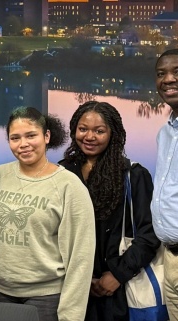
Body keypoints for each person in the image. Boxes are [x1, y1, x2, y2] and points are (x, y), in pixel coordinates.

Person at [0, 107, 94, 321]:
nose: (23, 144)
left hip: (46, 297)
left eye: (31, 135)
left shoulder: (68, 186)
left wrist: (71, 315)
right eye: (15, 138)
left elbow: (80, 257)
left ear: (46, 136)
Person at [59, 101, 159, 321]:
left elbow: (150, 235)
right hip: (72, 286)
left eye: (99, 131)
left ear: (113, 134)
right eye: (83, 129)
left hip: (118, 289)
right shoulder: (63, 172)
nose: (89, 137)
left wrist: (118, 274)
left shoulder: (133, 175)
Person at [152, 48, 178, 319]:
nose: (168, 79)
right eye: (161, 74)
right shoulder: (165, 133)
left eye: (176, 72)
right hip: (170, 258)